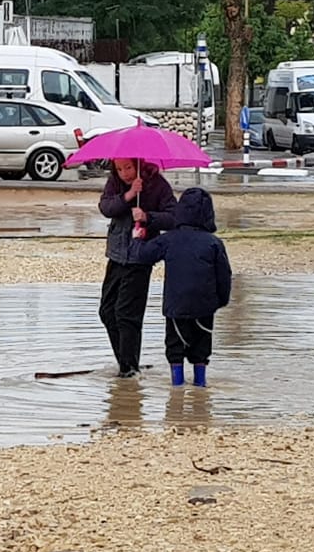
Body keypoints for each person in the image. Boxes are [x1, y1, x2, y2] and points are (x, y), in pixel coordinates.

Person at [133, 187, 233, 388]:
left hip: (176, 305)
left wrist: (136, 238)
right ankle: (200, 385)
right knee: (201, 349)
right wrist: (220, 301)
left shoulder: (169, 239)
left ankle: (176, 388)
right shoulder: (214, 243)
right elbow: (224, 276)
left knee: (175, 347)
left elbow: (142, 256)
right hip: (205, 306)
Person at [97, 159, 177, 378]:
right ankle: (127, 361)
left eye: (128, 168)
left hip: (141, 257)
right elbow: (106, 207)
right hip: (116, 255)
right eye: (119, 169)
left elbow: (173, 217)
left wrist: (147, 217)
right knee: (107, 311)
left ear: (138, 164)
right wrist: (129, 195)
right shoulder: (115, 182)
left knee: (127, 314)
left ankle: (129, 368)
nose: (124, 173)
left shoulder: (158, 184)